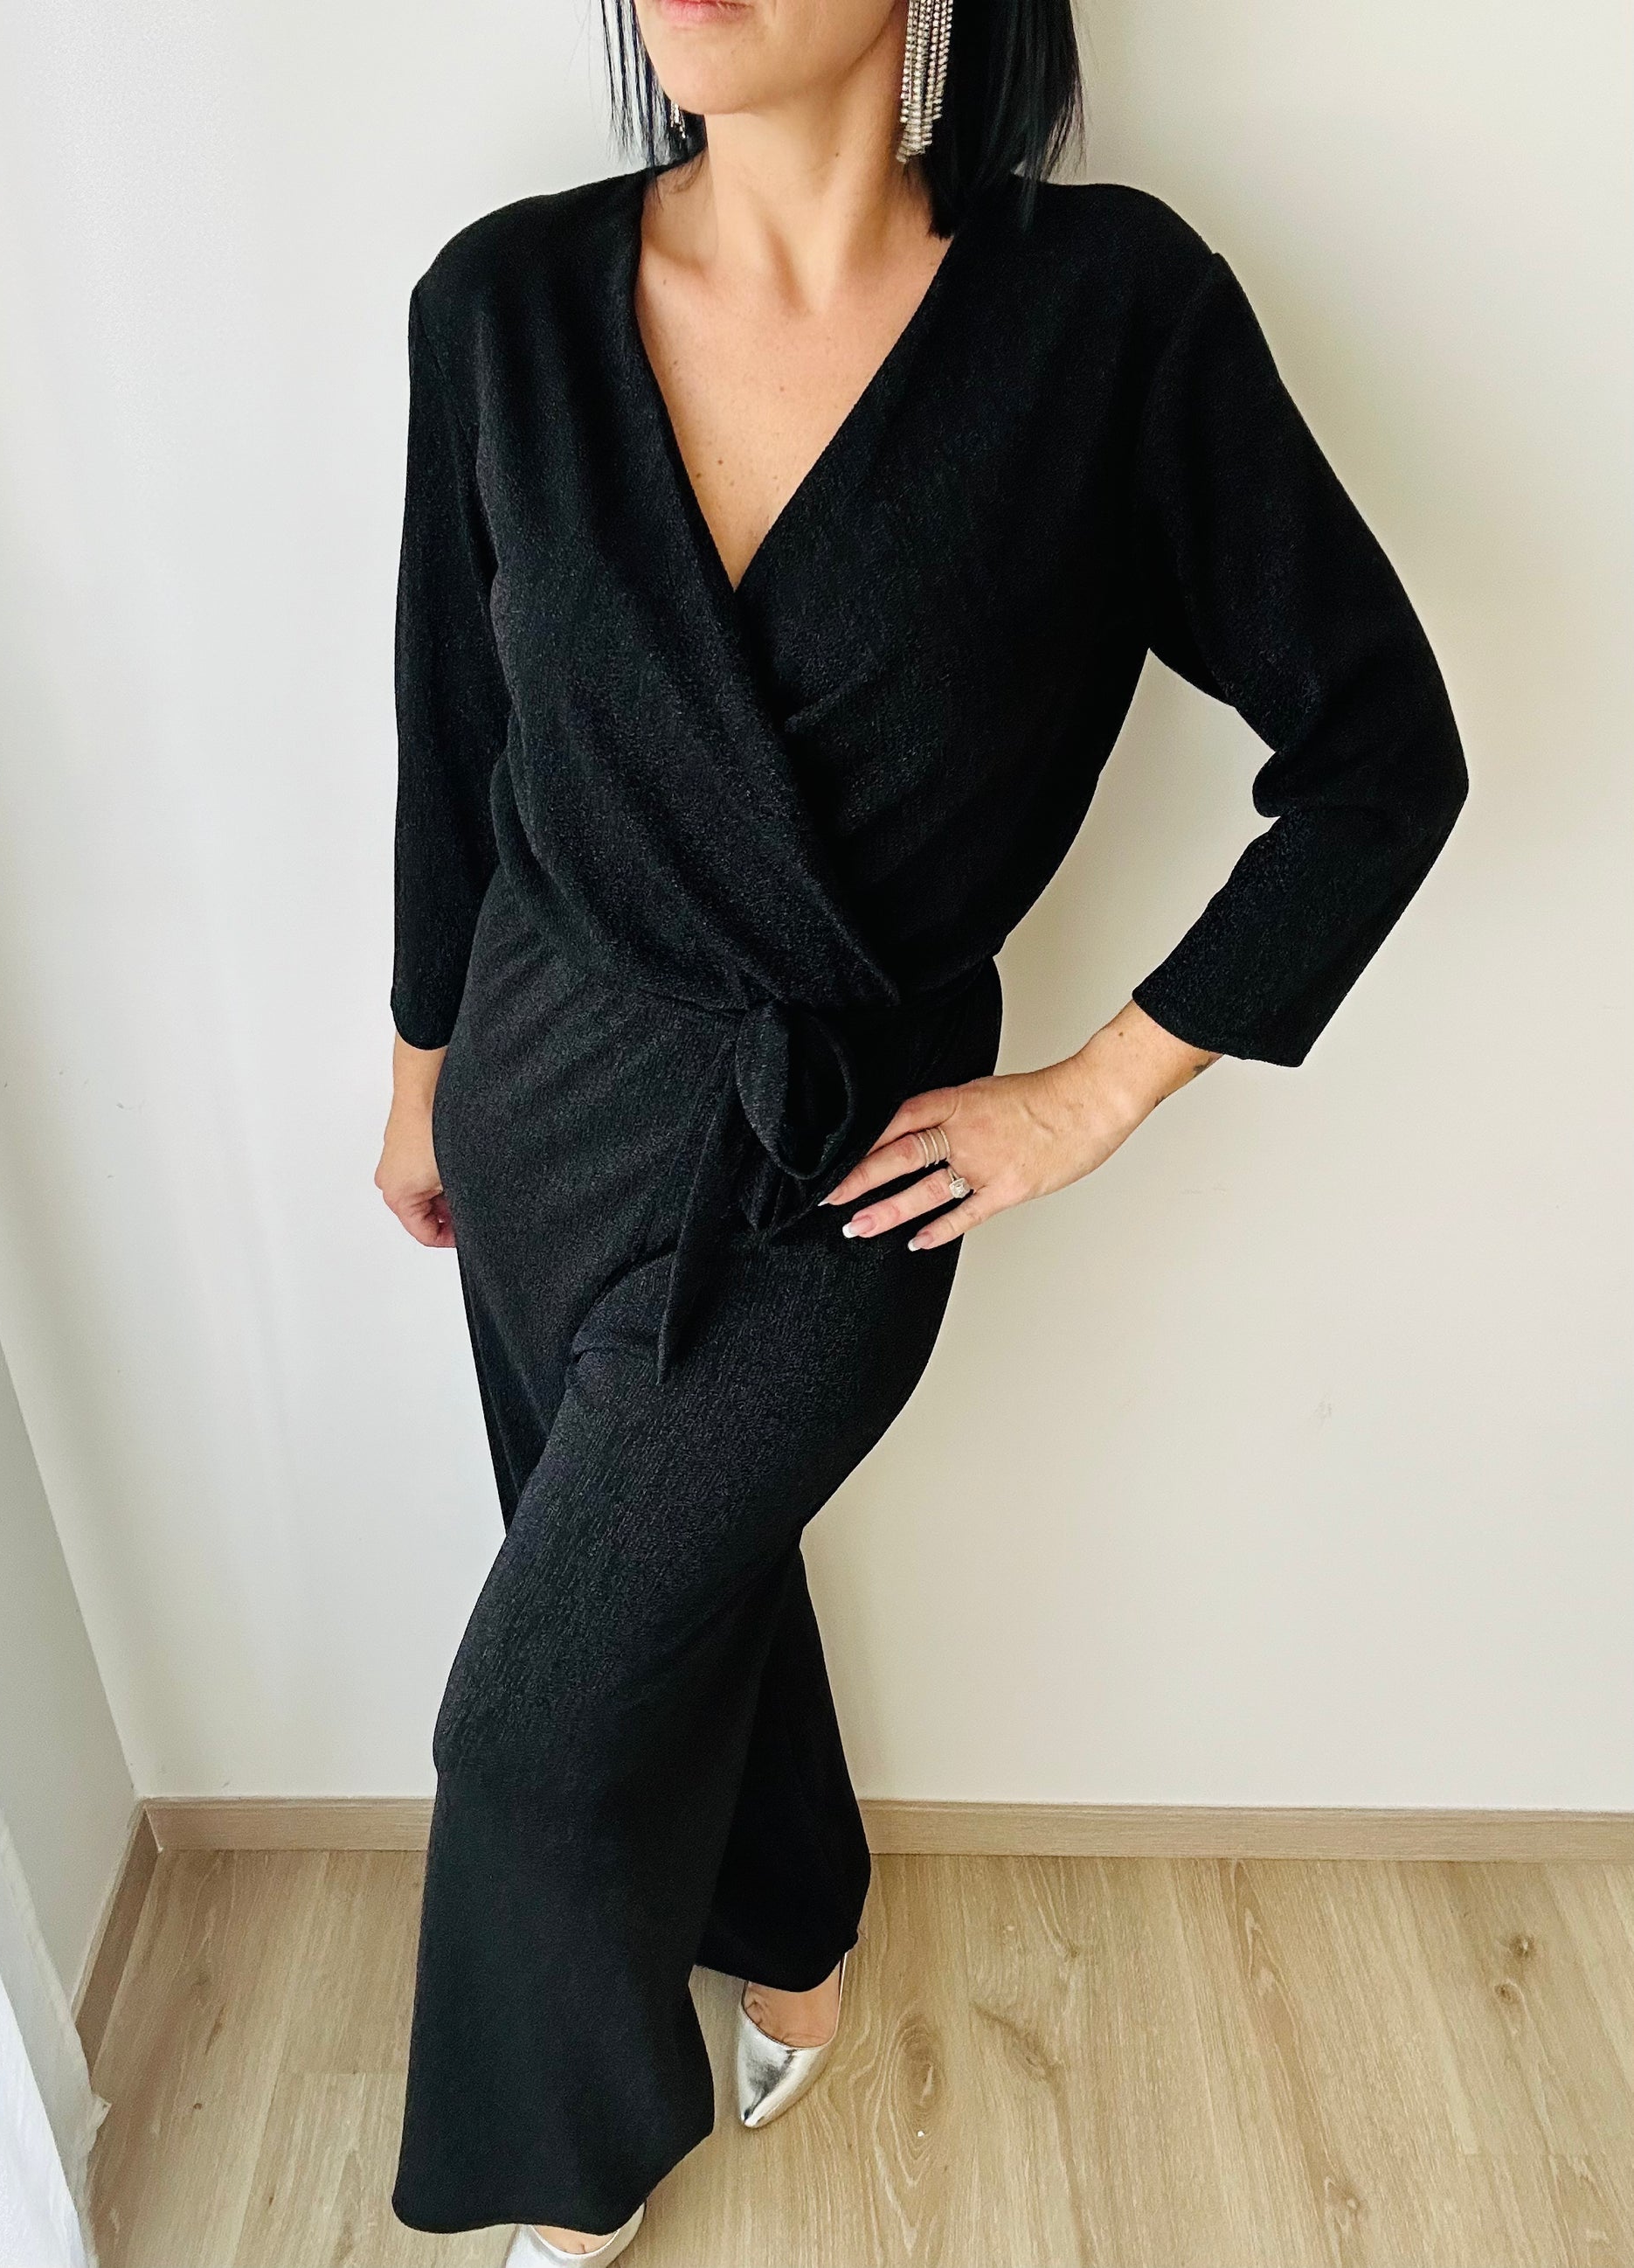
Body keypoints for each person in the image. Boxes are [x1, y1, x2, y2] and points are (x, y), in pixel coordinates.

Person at [372, 0, 1468, 2256]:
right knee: (676, 1578)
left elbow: (1383, 752)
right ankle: (797, 1923)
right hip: (540, 1086)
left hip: (839, 1155)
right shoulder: (501, 303)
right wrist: (420, 1080)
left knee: (526, 1728)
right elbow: (454, 735)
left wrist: (1097, 1089)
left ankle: (556, 2182)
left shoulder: (1107, 318)